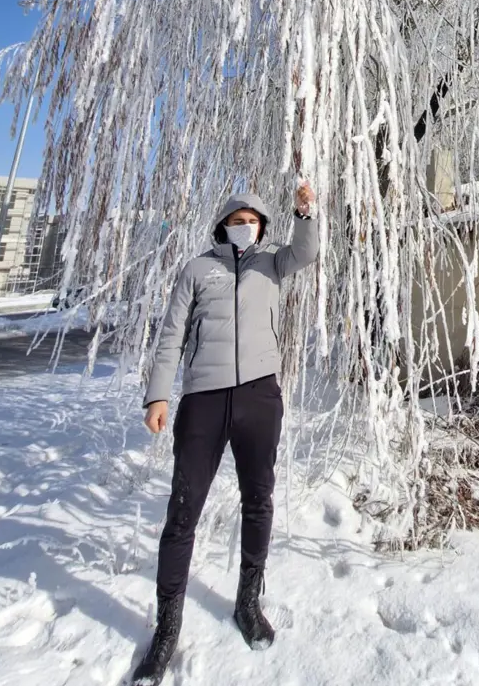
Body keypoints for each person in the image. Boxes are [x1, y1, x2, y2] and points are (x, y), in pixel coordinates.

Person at [132, 183, 318, 685]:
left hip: (259, 398)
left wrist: (305, 212)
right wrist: (158, 395)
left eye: (253, 220)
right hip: (204, 402)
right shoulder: (196, 270)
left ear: (262, 227)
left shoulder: (272, 264)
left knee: (259, 499)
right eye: (238, 220)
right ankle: (167, 629)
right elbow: (171, 334)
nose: (246, 226)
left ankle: (248, 603)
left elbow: (307, 250)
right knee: (182, 511)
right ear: (222, 226)